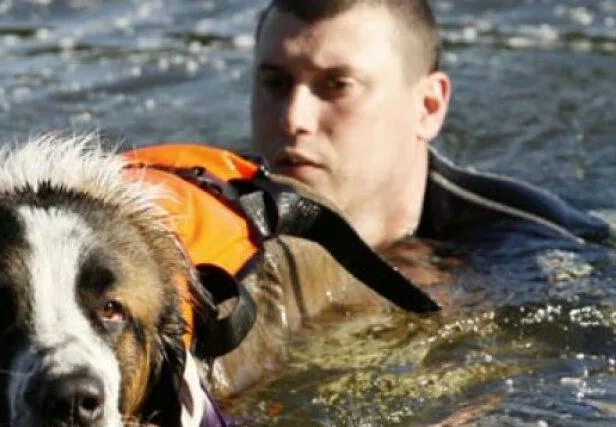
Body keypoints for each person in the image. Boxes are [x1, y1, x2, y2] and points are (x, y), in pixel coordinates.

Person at [249, 0, 612, 250]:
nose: (293, 119)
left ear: (428, 106)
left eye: (337, 86)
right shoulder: (212, 205)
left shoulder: (533, 245)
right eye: (274, 83)